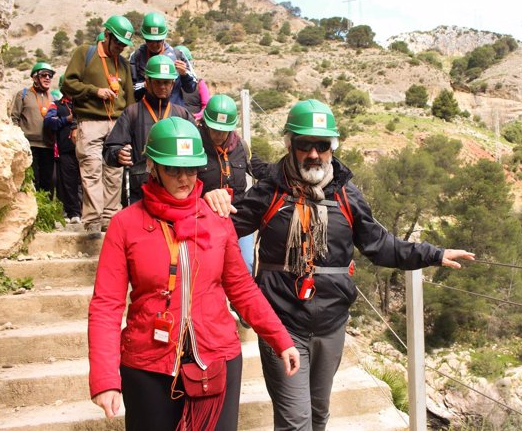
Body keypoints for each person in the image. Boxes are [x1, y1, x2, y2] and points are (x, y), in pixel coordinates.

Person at [205, 99, 475, 431]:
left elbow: (380, 246)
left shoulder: (347, 195)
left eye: (322, 145)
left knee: (318, 415)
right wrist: (206, 201)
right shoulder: (270, 191)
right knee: (295, 421)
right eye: (305, 145)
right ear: (291, 145)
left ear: (332, 148)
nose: (314, 154)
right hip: (281, 321)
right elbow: (219, 230)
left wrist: (433, 254)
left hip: (331, 323)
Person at [88, 117, 300, 431]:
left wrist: (281, 339)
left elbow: (242, 288)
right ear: (154, 167)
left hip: (217, 358)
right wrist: (105, 378)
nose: (184, 178)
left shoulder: (216, 219)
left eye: (191, 169)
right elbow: (107, 305)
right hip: (148, 365)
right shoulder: (125, 224)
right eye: (174, 169)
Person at [62, 15, 135, 238]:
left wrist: (129, 125)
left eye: (124, 45)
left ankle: (110, 218)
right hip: (90, 121)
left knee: (114, 172)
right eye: (118, 43)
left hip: (117, 123)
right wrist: (95, 91)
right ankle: (92, 220)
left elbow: (129, 96)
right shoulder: (86, 53)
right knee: (92, 169)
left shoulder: (122, 63)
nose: (120, 48)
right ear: (107, 35)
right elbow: (68, 83)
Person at [104, 55, 195, 206]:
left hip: (175, 192)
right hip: (141, 192)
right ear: (147, 82)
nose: (162, 87)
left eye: (166, 82)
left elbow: (198, 151)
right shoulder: (132, 113)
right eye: (158, 82)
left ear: (173, 84)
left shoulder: (183, 115)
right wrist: (118, 154)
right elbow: (109, 150)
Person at [197, 94, 269, 271]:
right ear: (205, 124)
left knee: (245, 267)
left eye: (224, 130)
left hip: (237, 221)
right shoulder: (195, 147)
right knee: (208, 271)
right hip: (204, 221)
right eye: (214, 129)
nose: (219, 134)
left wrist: (289, 169)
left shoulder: (241, 148)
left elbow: (261, 170)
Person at [129, 12, 197, 107]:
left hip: (173, 114)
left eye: (158, 40)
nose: (154, 44)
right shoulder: (137, 56)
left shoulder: (178, 55)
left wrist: (184, 75)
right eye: (149, 40)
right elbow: (130, 89)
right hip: (147, 113)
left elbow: (191, 88)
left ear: (164, 37)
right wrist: (147, 84)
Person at [11, 62, 57, 193]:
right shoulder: (23, 94)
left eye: (50, 75)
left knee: (48, 182)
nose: (47, 78)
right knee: (33, 180)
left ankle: (46, 211)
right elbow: (14, 118)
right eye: (44, 75)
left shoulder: (53, 97)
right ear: (35, 77)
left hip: (48, 145)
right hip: (29, 145)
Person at [44, 74, 82, 223]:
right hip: (65, 150)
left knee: (86, 181)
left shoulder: (84, 105)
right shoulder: (56, 105)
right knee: (69, 182)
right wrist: (66, 120)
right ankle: (73, 213)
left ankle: (87, 211)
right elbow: (48, 122)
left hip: (85, 148)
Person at [175, 45, 209, 121]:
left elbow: (206, 106)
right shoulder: (169, 83)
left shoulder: (199, 83)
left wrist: (197, 116)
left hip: (194, 123)